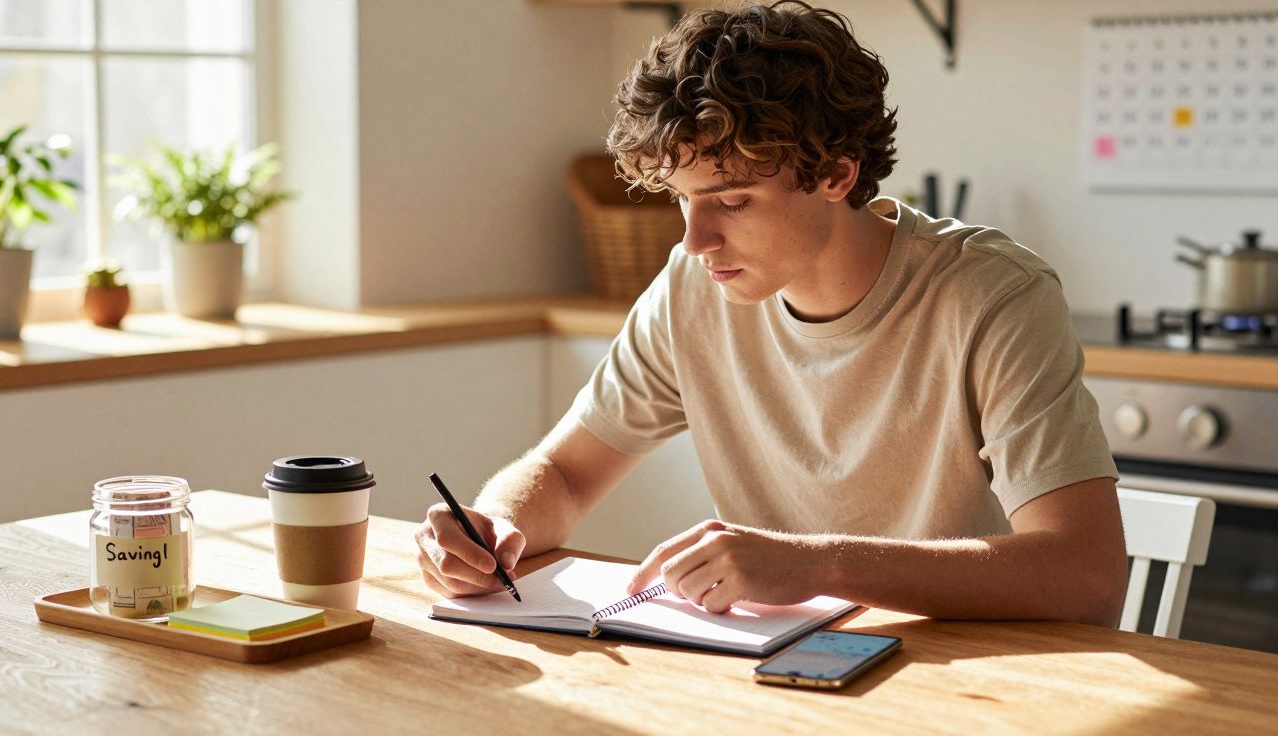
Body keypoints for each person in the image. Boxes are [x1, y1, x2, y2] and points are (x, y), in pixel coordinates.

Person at [414, 0, 1128, 626]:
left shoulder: (993, 295)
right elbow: (565, 475)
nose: (695, 241)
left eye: (732, 200)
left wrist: (819, 565)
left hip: (976, 681)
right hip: (782, 677)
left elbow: (1086, 576)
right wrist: (494, 524)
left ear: (835, 174)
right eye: (682, 201)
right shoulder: (692, 289)